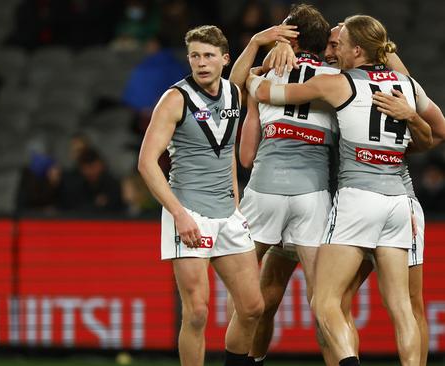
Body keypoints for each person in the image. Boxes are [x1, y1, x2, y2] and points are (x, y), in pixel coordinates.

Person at [247, 15, 434, 366]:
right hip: (399, 201)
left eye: (340, 45)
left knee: (325, 302)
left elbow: (264, 92)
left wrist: (261, 70)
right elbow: (428, 137)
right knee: (405, 307)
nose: (334, 52)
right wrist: (410, 116)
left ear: (357, 49)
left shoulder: (338, 82)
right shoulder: (406, 85)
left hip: (355, 200)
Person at [138, 25, 279, 366]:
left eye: (209, 56)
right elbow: (146, 163)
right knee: (198, 312)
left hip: (227, 215)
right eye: (195, 56)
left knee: (253, 307)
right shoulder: (175, 98)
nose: (201, 63)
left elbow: (227, 150)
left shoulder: (233, 94)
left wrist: (235, 204)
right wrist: (179, 214)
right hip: (189, 213)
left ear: (224, 59)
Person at [229, 4, 335, 365]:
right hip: (315, 194)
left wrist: (260, 42)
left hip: (265, 190)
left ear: (286, 35)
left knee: (251, 296)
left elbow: (233, 89)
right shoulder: (339, 76)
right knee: (325, 304)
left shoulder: (265, 74)